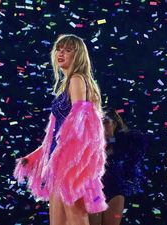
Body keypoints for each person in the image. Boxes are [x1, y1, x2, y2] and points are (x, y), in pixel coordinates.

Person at [13, 34, 108, 225]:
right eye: (59, 48)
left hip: (69, 165)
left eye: (68, 49)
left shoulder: (77, 79)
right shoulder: (68, 83)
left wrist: (69, 161)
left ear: (78, 55)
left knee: (74, 219)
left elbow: (81, 123)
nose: (61, 53)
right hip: (59, 162)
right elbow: (55, 134)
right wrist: (34, 156)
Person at [89, 108, 148, 225]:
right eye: (99, 122)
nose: (102, 126)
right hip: (93, 193)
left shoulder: (124, 143)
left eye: (106, 122)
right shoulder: (90, 144)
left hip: (115, 191)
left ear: (114, 124)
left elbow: (137, 142)